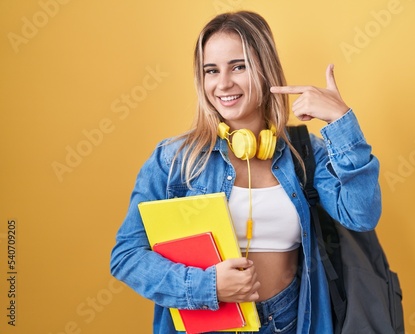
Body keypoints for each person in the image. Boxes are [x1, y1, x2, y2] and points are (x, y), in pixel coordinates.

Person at [110, 10, 381, 334]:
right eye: (211, 70)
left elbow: (361, 214)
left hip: (290, 320)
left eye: (238, 66)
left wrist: (341, 123)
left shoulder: (304, 152)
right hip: (209, 323)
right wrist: (206, 287)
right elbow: (126, 256)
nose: (223, 83)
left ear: (265, 69)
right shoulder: (174, 160)